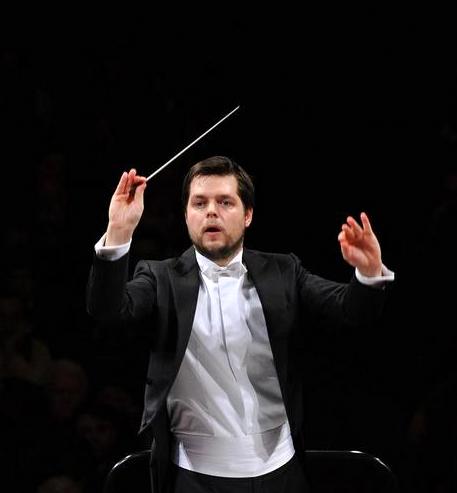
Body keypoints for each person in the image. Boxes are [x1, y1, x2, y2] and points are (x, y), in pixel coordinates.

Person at [87, 156, 394, 493]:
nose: (211, 212)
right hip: (191, 477)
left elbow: (351, 311)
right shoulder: (159, 278)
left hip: (282, 472)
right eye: (199, 203)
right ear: (186, 215)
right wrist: (119, 232)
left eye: (225, 202)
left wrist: (368, 274)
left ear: (248, 215)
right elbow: (108, 311)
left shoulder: (284, 271)